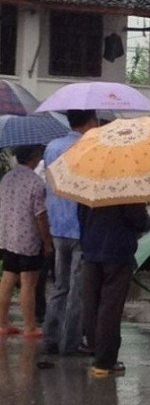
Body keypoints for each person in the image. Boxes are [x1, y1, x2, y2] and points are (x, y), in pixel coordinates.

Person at [42, 110, 98, 356]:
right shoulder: (89, 147)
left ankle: (50, 338)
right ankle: (70, 343)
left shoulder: (52, 147)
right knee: (77, 290)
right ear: (90, 122)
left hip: (57, 225)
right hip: (80, 228)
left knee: (59, 285)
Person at [78, 203, 150, 376]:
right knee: (110, 307)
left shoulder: (87, 186)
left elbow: (81, 218)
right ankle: (105, 362)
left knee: (92, 304)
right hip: (117, 253)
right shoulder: (125, 190)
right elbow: (139, 220)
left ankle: (96, 350)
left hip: (90, 252)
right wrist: (146, 219)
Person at [0, 145, 52, 337]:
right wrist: (47, 241)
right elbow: (40, 215)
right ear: (34, 157)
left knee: (7, 278)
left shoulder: (6, 178)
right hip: (29, 239)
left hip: (8, 237)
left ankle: (2, 323)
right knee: (28, 283)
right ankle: (30, 326)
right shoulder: (36, 182)